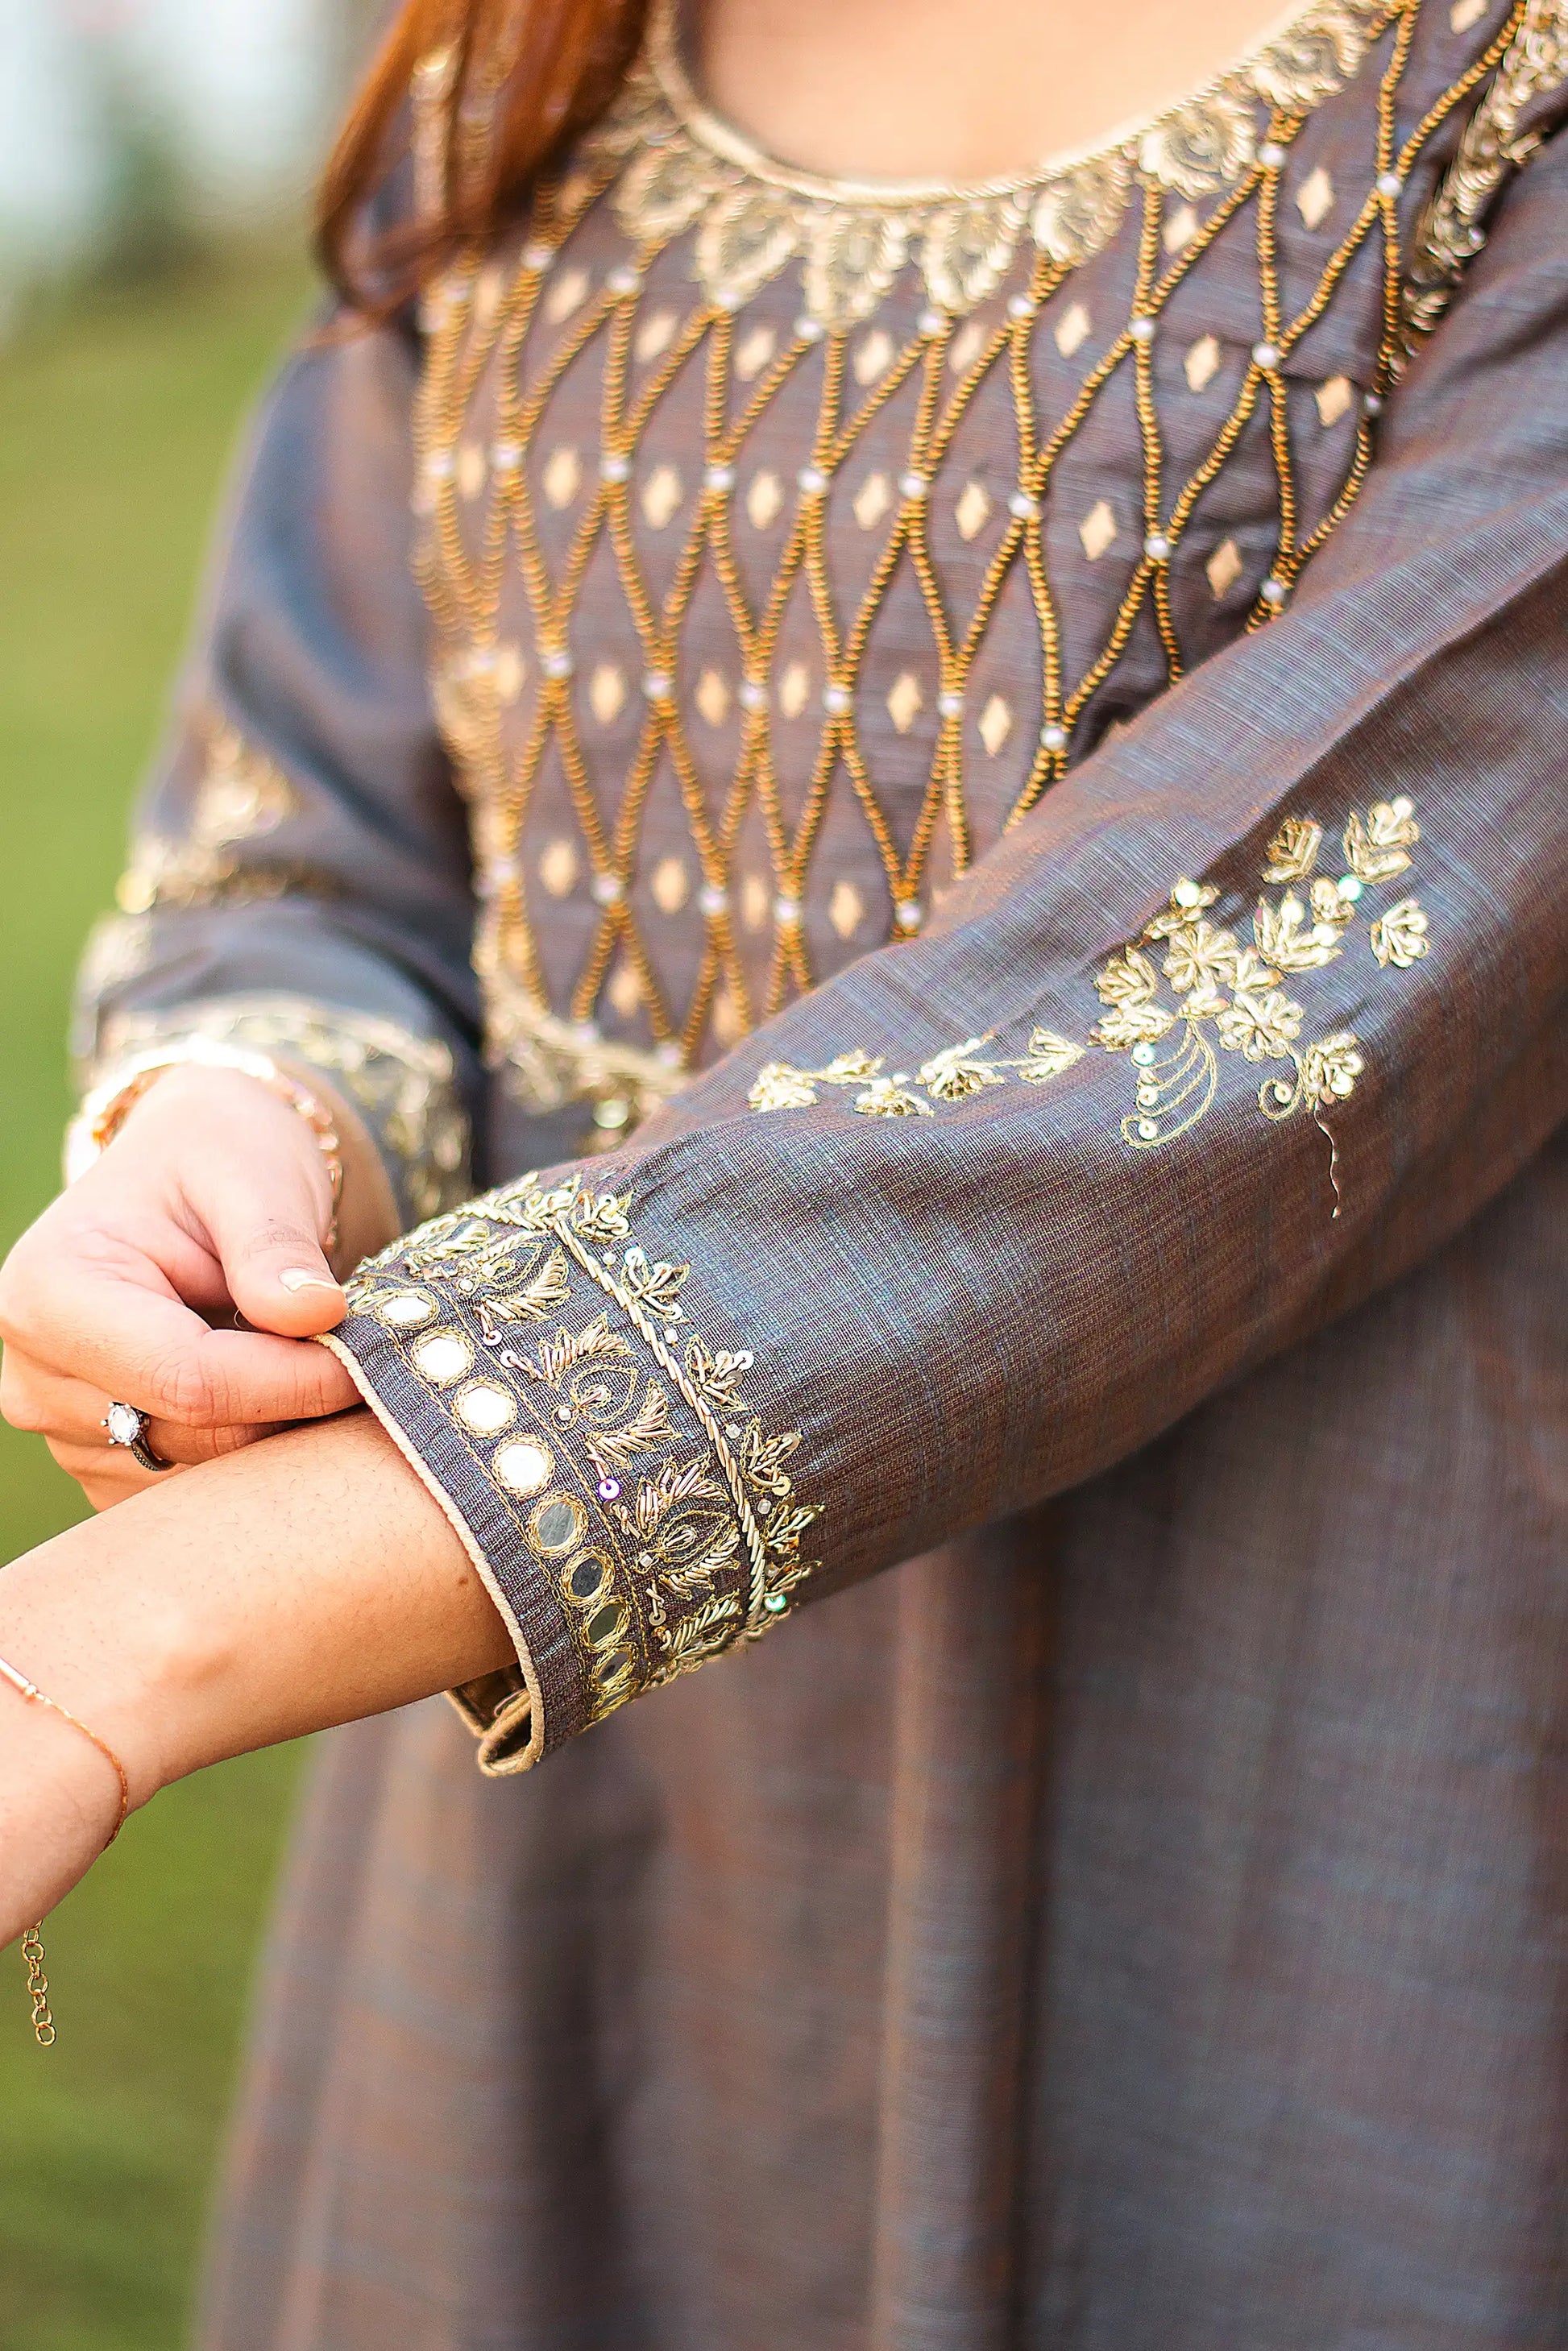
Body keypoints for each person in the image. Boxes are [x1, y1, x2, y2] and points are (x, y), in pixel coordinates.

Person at [2, 0, 1566, 2336]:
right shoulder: (525, 61)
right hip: (559, 1785)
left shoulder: (1498, 92)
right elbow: (319, 812)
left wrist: (125, 1644)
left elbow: (1294, 971)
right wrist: (243, 1118)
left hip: (1282, 1717)